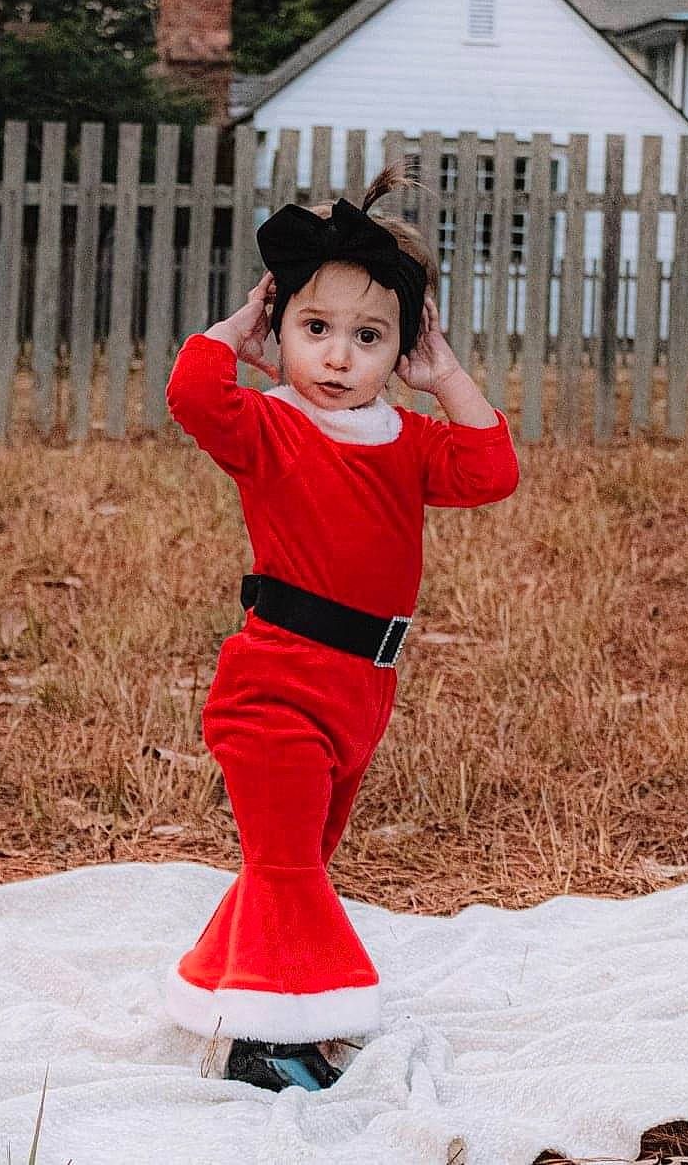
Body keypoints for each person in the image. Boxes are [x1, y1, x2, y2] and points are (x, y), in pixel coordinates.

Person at [161, 161, 521, 1092]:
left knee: (301, 861)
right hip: (274, 681)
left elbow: (491, 472)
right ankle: (270, 1046)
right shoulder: (268, 426)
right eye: (313, 329)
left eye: (368, 337)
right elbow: (193, 397)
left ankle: (230, 993)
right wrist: (236, 330)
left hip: (362, 690)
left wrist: (445, 377)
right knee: (287, 868)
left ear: (400, 349)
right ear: (279, 332)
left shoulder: (405, 442)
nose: (336, 355)